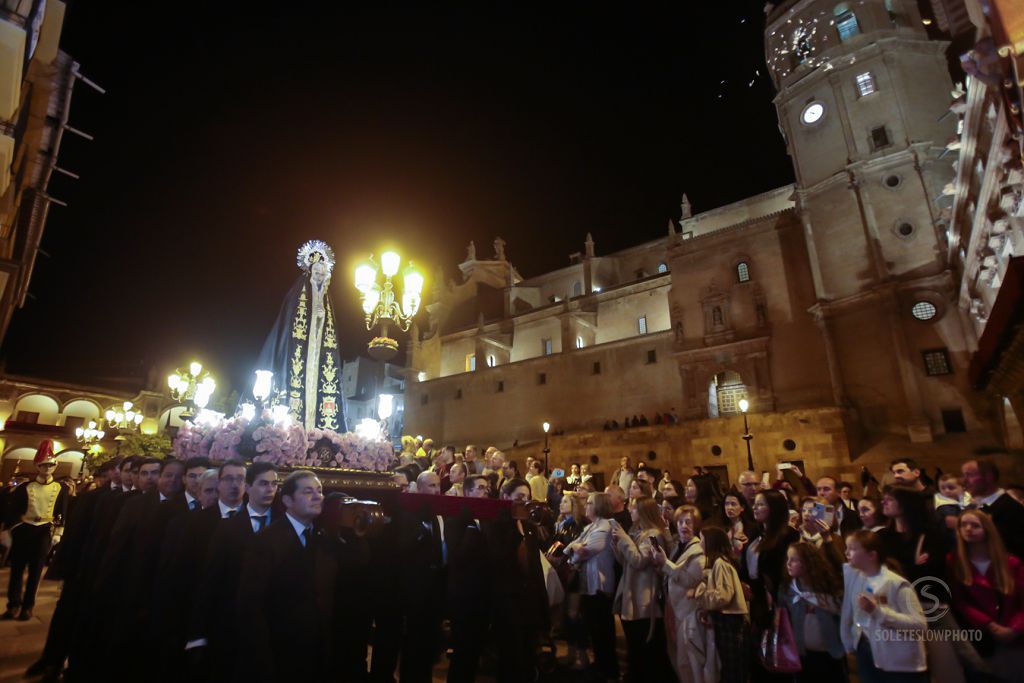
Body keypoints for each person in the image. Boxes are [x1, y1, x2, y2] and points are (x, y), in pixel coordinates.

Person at [236, 470, 336, 682]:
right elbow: (251, 605)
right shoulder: (266, 541)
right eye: (308, 492)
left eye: (319, 491)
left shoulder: (323, 538)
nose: (318, 496)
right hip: (280, 653)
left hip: (317, 652)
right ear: (288, 500)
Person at [186, 462, 277, 681]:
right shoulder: (221, 527)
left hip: (270, 628)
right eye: (263, 483)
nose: (270, 489)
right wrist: (197, 633)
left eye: (274, 484)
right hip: (228, 625)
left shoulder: (280, 524)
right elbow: (207, 580)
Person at [841, 529, 928, 682]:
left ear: (871, 555)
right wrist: (849, 641)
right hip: (866, 651)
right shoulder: (854, 577)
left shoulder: (896, 584)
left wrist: (878, 612)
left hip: (898, 663)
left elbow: (919, 625)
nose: (847, 552)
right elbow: (848, 612)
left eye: (853, 549)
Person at [484, 478, 550, 683]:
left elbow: (534, 564)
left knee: (529, 649)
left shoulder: (529, 525)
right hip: (507, 598)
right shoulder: (495, 524)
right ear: (506, 497)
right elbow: (497, 559)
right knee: (511, 653)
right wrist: (513, 529)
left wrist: (542, 598)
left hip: (528, 597)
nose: (525, 502)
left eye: (527, 498)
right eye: (519, 497)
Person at [949, 509, 1024, 676]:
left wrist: (1014, 629)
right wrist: (989, 625)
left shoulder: (1011, 563)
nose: (968, 529)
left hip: (1016, 636)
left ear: (988, 529)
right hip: (981, 637)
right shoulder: (955, 562)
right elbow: (960, 602)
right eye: (963, 525)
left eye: (975, 525)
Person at [1, 440, 69, 621]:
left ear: (55, 465)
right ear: (37, 465)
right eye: (43, 465)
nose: (47, 468)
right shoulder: (25, 487)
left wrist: (58, 532)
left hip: (44, 531)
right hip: (24, 530)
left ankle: (28, 606)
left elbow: (62, 512)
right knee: (17, 570)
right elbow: (13, 511)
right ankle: (13, 604)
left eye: (50, 464)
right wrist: (7, 530)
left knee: (36, 571)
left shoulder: (61, 488)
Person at [610, 497, 676, 681]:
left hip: (645, 600)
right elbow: (625, 562)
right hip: (632, 595)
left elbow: (638, 561)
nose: (630, 511)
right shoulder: (639, 533)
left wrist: (623, 539)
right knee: (635, 647)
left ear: (643, 512)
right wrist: (616, 544)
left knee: (646, 649)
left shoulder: (654, 535)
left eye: (633, 509)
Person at [653, 505, 716, 683]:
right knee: (679, 658)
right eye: (680, 522)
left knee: (690, 660)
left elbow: (691, 580)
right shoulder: (678, 546)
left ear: (696, 525)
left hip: (689, 611)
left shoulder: (697, 550)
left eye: (688, 522)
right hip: (674, 606)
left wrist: (665, 563)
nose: (684, 526)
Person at [445, 474, 492, 683]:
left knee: (476, 647)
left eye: (487, 488)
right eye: (480, 488)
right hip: (464, 594)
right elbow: (457, 556)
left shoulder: (487, 519)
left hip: (482, 593)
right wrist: (472, 530)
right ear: (468, 492)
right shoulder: (456, 519)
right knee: (463, 649)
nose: (485, 492)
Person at [567, 492, 619, 681]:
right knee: (595, 631)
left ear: (599, 506)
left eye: (589, 503)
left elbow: (586, 551)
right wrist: (574, 548)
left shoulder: (604, 527)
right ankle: (600, 664)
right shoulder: (590, 527)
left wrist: (575, 550)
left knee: (603, 630)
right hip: (588, 584)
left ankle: (609, 670)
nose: (585, 505)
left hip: (600, 585)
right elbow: (573, 546)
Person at [779, 542, 848, 682]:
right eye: (788, 559)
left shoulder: (828, 587)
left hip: (829, 653)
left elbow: (844, 612)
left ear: (808, 562)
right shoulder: (788, 589)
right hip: (802, 654)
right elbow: (783, 618)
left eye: (794, 559)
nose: (788, 563)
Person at [696, 525, 750, 683]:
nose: (699, 544)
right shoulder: (718, 563)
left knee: (731, 668)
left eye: (702, 540)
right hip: (727, 620)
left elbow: (723, 596)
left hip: (730, 622)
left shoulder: (720, 563)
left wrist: (700, 594)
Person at [743, 489, 800, 636]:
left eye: (760, 504)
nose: (755, 508)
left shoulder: (787, 535)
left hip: (777, 597)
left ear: (774, 508)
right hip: (757, 597)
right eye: (754, 504)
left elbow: (784, 569)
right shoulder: (756, 533)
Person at [550, 492, 588, 669]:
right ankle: (571, 651)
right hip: (563, 572)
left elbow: (577, 547)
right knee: (567, 615)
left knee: (575, 614)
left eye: (565, 501)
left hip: (575, 573)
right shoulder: (561, 524)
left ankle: (582, 654)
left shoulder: (579, 525)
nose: (560, 504)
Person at [962, 459, 1024, 559]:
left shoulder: (1011, 509)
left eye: (969, 475)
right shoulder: (971, 507)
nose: (964, 481)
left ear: (988, 477)